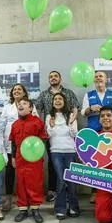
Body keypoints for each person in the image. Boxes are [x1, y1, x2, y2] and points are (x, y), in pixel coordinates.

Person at [36, 70, 80, 203]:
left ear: (60, 78)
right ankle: (52, 190)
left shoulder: (69, 93)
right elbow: (37, 109)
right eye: (50, 76)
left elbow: (75, 108)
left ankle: (68, 192)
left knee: (69, 167)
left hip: (68, 135)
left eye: (55, 76)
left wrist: (72, 121)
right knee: (52, 162)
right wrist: (46, 124)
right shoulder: (44, 94)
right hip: (52, 133)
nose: (53, 78)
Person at [0, 84, 39, 211]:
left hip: (27, 145)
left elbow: (36, 122)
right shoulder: (7, 107)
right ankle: (9, 197)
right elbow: (1, 127)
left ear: (24, 92)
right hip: (11, 144)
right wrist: (1, 145)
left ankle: (28, 197)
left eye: (19, 89)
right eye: (14, 90)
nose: (16, 91)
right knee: (10, 171)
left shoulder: (30, 106)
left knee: (27, 173)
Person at [9, 97, 49, 223]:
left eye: (24, 103)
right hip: (20, 159)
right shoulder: (14, 124)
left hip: (34, 159)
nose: (21, 105)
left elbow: (43, 140)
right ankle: (22, 209)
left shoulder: (38, 122)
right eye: (19, 104)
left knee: (35, 183)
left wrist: (37, 155)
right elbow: (13, 144)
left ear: (31, 108)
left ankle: (35, 209)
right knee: (21, 183)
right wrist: (14, 157)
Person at [81, 71, 112, 203]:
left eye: (101, 76)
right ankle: (95, 191)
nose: (98, 78)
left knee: (110, 161)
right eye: (96, 77)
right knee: (95, 162)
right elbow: (83, 113)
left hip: (110, 132)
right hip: (93, 133)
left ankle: (111, 188)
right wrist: (90, 108)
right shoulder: (88, 95)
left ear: (106, 79)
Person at [45, 93, 79, 220]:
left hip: (70, 150)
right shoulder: (49, 116)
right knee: (60, 179)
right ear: (52, 102)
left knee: (71, 180)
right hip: (56, 151)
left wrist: (70, 123)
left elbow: (74, 134)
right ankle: (60, 208)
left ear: (64, 101)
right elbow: (49, 135)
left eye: (60, 99)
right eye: (55, 99)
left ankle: (74, 207)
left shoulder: (71, 115)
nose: (57, 101)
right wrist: (52, 126)